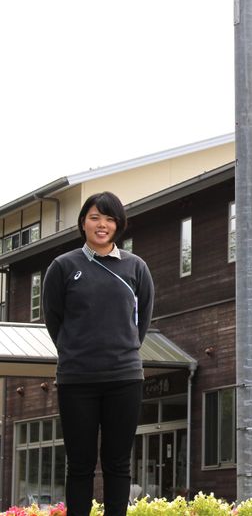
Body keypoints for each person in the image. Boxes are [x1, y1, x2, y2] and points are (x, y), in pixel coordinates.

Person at [43, 192, 154, 516]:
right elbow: (54, 319)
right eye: (94, 217)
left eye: (108, 218)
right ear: (83, 223)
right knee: (79, 464)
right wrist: (73, 351)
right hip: (77, 379)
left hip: (124, 378)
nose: (101, 224)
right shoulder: (63, 266)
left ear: (118, 224)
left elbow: (141, 319)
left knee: (118, 463)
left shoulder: (136, 267)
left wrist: (124, 349)